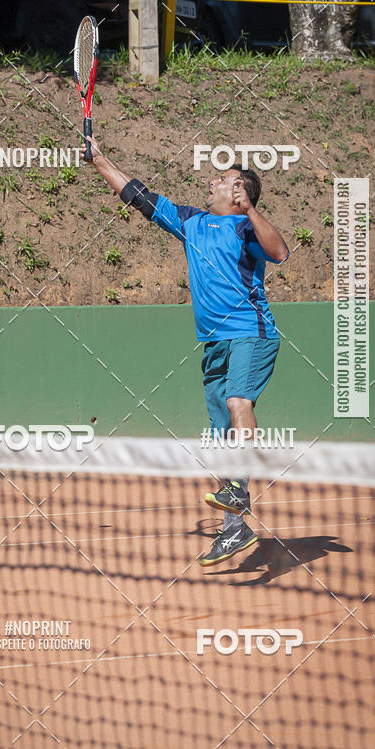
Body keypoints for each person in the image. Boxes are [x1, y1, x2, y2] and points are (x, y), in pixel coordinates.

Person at [82, 137, 289, 566]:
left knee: (238, 401)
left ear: (240, 192)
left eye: (223, 180)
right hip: (214, 344)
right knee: (220, 437)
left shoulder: (246, 229)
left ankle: (240, 489)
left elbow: (280, 252)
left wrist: (250, 209)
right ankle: (235, 530)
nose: (212, 182)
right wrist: (99, 159)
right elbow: (138, 196)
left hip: (250, 334)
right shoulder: (191, 222)